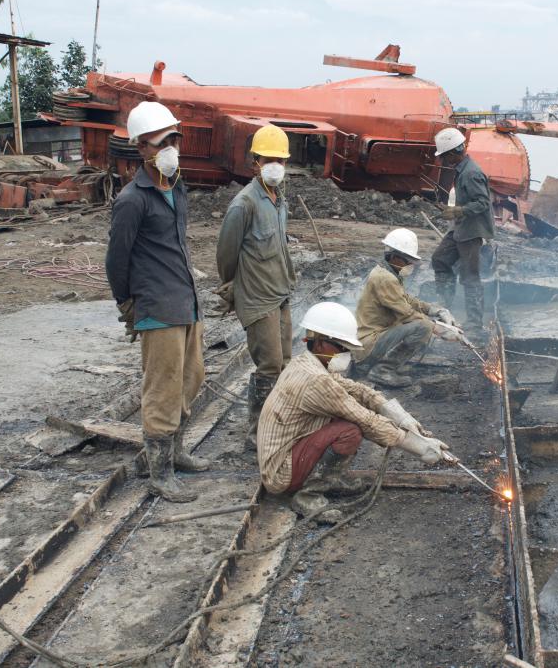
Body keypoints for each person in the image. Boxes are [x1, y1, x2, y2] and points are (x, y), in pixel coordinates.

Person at [258, 302, 450, 523]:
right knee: (350, 430)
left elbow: (355, 389)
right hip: (281, 472)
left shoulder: (309, 363)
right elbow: (365, 420)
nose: (345, 353)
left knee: (346, 419)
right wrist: (418, 445)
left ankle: (330, 478)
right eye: (341, 347)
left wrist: (395, 413)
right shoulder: (316, 380)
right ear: (320, 342)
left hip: (286, 454)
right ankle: (308, 496)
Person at [105, 101, 209, 503]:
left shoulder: (177, 187)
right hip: (157, 309)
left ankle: (177, 451)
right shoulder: (133, 199)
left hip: (186, 302)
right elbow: (117, 259)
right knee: (162, 390)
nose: (171, 148)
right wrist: (127, 304)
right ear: (142, 148)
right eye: (162, 142)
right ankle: (159, 472)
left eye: (174, 140)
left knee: (191, 378)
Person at [217, 125, 296, 450]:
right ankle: (258, 436)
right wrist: (233, 291)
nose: (275, 165)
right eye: (269, 159)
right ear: (255, 163)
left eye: (280, 159)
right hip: (258, 299)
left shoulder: (278, 201)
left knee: (286, 362)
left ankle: (279, 423)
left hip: (280, 293)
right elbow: (226, 255)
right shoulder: (244, 204)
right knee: (269, 365)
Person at [354, 228, 461, 387]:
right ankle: (382, 370)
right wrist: (437, 327)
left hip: (374, 338)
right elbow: (406, 313)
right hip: (367, 345)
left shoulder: (389, 273)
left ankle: (385, 365)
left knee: (422, 323)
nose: (411, 264)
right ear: (395, 256)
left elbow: (408, 300)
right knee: (423, 327)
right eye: (407, 260)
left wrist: (436, 310)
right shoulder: (384, 278)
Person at [430, 127, 493, 334]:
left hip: (471, 231)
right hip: (460, 228)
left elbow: (483, 203)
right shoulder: (462, 170)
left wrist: (458, 211)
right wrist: (454, 211)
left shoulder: (472, 173)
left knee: (469, 276)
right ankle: (444, 307)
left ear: (453, 152)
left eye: (445, 156)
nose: (444, 160)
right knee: (440, 259)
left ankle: (475, 324)